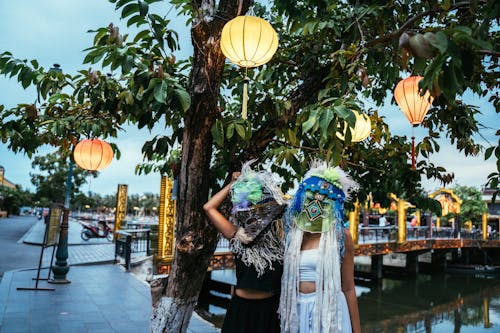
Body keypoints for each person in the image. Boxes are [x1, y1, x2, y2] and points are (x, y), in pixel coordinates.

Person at [203, 160, 287, 333]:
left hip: (269, 312)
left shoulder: (282, 238)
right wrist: (233, 184)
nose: (255, 214)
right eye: (250, 208)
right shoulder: (238, 235)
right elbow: (209, 207)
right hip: (240, 311)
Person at [280, 162, 361, 333]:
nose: (316, 202)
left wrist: (357, 330)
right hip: (296, 310)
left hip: (329, 312)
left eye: (324, 198)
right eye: (311, 196)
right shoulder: (293, 234)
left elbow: (348, 287)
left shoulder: (341, 236)